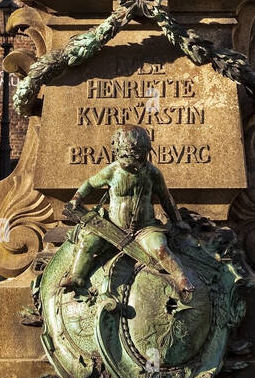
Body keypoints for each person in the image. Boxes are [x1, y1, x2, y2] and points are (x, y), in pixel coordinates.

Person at [62, 125, 194, 302]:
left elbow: (166, 198)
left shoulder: (153, 173)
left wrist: (177, 221)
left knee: (161, 249)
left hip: (144, 229)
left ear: (144, 153)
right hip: (111, 227)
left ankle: (181, 277)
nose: (132, 164)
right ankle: (76, 276)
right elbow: (90, 184)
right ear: (118, 153)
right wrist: (76, 198)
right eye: (127, 160)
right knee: (88, 242)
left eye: (138, 159)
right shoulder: (112, 171)